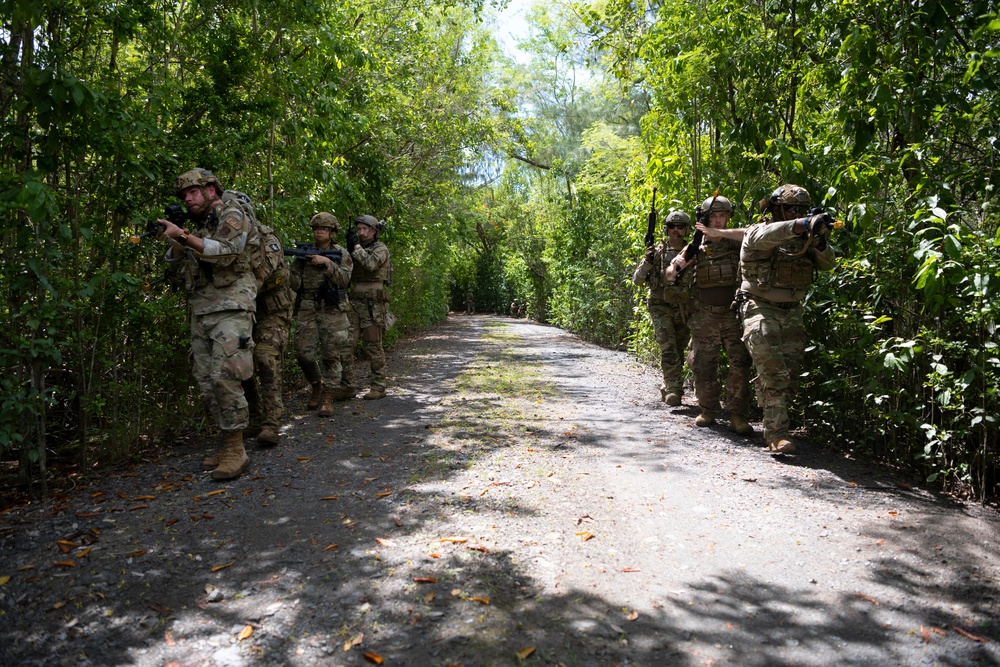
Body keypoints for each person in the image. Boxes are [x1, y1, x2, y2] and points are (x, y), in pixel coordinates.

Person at [159, 168, 257, 480]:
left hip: (231, 304)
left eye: (193, 192)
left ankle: (235, 448)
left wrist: (183, 236)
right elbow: (172, 266)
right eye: (184, 195)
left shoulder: (232, 212)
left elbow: (226, 251)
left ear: (211, 190)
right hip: (202, 309)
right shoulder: (194, 227)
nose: (187, 199)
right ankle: (226, 441)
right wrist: (178, 239)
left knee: (225, 375)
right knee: (206, 381)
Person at [737, 184, 837, 453]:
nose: (797, 213)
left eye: (802, 210)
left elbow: (828, 264)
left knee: (789, 375)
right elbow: (769, 235)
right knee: (773, 372)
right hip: (759, 308)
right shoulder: (759, 230)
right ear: (776, 208)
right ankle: (776, 434)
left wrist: (819, 239)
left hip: (792, 311)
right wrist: (801, 224)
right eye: (792, 209)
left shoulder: (804, 236)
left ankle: (773, 421)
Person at [666, 195, 754, 434]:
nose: (718, 220)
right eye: (713, 217)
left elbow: (754, 233)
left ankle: (737, 414)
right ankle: (708, 409)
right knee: (704, 364)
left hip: (733, 314)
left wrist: (722, 235)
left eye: (722, 216)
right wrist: (676, 267)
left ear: (728, 217)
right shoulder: (696, 245)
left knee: (740, 363)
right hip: (705, 314)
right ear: (704, 219)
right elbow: (670, 273)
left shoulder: (738, 241)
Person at [289, 213, 354, 416]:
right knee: (303, 353)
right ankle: (316, 384)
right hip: (308, 307)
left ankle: (328, 396)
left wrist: (327, 264)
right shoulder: (304, 254)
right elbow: (294, 284)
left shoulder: (341, 253)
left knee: (331, 355)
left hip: (333, 308)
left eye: (323, 229)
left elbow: (344, 280)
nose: (319, 232)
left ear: (332, 232)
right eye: (316, 228)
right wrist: (295, 266)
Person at [632, 210, 692, 405]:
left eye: (680, 227)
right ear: (666, 229)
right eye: (672, 227)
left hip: (684, 308)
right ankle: (675, 390)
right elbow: (637, 280)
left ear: (686, 230)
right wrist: (647, 262)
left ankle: (668, 385)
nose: (676, 231)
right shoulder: (656, 252)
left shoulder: (693, 252)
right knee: (668, 348)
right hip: (660, 307)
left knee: (679, 348)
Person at [243, 219, 293, 446]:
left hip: (272, 311)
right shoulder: (216, 235)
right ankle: (254, 418)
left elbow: (260, 276)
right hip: (242, 310)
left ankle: (271, 423)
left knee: (265, 356)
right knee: (239, 363)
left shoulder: (267, 239)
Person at [343, 215, 392, 400]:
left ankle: (378, 386)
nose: (361, 233)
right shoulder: (355, 249)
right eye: (359, 229)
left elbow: (371, 264)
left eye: (365, 229)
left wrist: (355, 248)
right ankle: (347, 385)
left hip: (372, 304)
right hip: (353, 302)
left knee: (373, 345)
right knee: (347, 344)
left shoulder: (380, 249)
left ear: (374, 231)